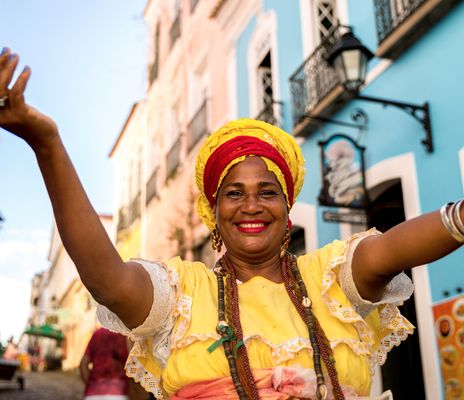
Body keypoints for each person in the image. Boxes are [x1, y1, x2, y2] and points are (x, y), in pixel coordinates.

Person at [1, 47, 464, 400]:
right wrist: (47, 144)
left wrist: (460, 217)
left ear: (287, 211)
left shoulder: (329, 281)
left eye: (267, 192)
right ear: (214, 214)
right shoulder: (182, 295)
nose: (251, 206)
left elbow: (394, 248)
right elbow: (106, 278)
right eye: (234, 193)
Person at [80, 327, 130, 400]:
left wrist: (91, 384)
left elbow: (83, 365)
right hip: (118, 392)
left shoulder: (97, 334)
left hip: (93, 392)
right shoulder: (125, 336)